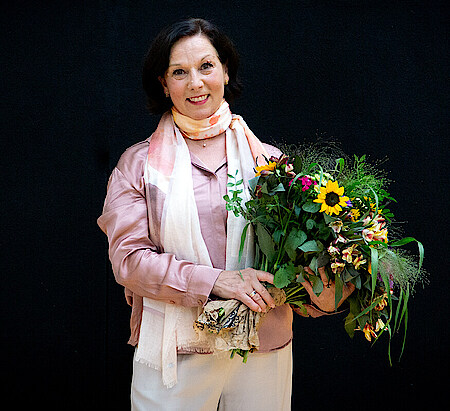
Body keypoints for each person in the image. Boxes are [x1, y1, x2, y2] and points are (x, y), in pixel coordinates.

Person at [97, 18, 354, 411]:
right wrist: (217, 281)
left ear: (225, 70)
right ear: (164, 84)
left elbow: (298, 261)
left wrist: (337, 277)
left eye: (206, 66)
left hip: (262, 349)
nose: (196, 83)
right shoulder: (139, 165)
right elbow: (129, 262)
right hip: (176, 353)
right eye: (179, 72)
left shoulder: (270, 163)